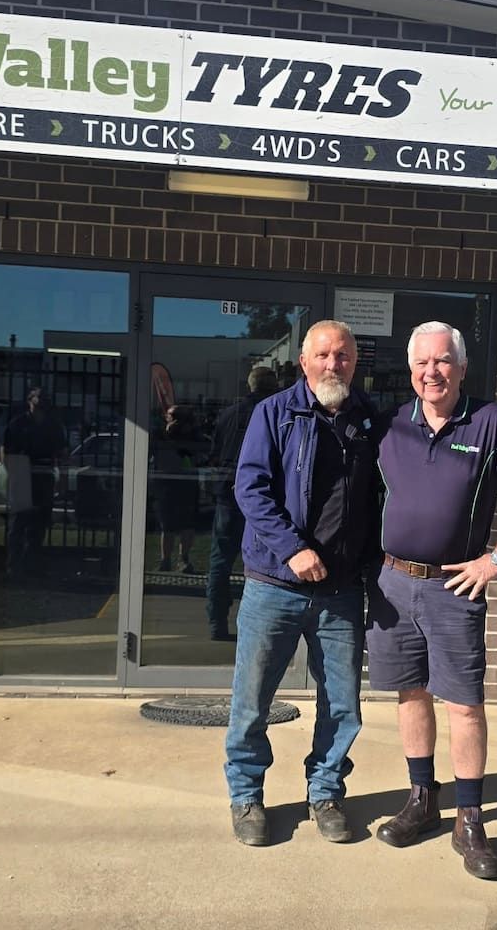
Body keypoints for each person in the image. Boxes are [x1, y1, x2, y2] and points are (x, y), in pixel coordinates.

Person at [367, 321, 497, 880]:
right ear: (410, 371)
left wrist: (495, 560)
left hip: (454, 589)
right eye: (423, 363)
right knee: (409, 695)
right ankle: (422, 800)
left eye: (443, 361)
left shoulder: (491, 421)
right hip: (392, 584)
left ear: (462, 367)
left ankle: (469, 818)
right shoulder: (390, 425)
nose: (433, 372)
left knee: (464, 705)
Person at [224, 320, 379, 847]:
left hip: (340, 591)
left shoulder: (369, 422)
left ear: (354, 365)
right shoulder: (273, 414)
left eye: (343, 357)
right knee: (252, 701)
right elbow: (251, 489)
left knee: (342, 703)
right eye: (323, 355)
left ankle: (326, 792)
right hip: (275, 583)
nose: (333, 364)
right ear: (303, 362)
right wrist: (294, 549)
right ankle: (246, 795)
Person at [205, 366, 280, 641]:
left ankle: (216, 622)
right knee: (265, 566)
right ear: (273, 387)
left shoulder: (228, 414)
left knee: (221, 562)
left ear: (249, 386)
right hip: (265, 498)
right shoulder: (277, 412)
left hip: (227, 494)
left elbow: (213, 454)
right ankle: (261, 631)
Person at [1, 386, 68, 581]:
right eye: (37, 401)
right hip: (21, 477)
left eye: (44, 402)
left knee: (38, 525)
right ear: (29, 402)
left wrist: (62, 478)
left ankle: (33, 566)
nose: (40, 406)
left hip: (43, 476)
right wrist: (13, 473)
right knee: (17, 525)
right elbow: (5, 451)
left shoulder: (53, 426)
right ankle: (14, 567)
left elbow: (62, 454)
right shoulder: (18, 424)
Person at [151, 404, 204, 574]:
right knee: (167, 524)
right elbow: (153, 448)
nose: (175, 421)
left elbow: (197, 453)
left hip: (187, 481)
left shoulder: (193, 435)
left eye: (178, 417)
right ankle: (165, 560)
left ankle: (184, 558)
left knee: (187, 524)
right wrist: (167, 433)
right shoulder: (160, 433)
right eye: (172, 416)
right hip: (166, 482)